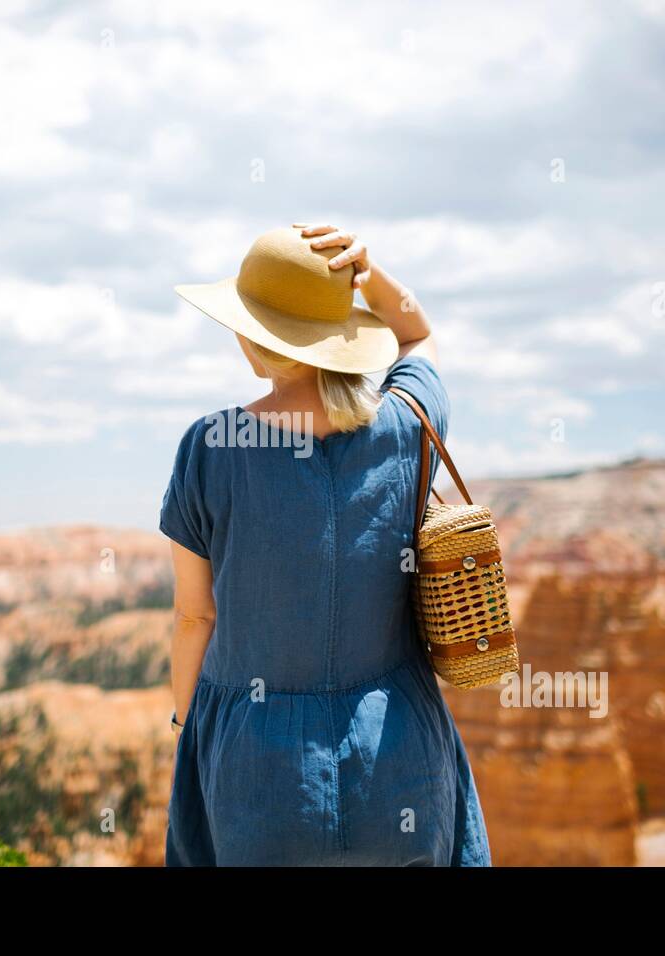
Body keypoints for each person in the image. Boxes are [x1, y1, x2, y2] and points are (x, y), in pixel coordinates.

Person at [158, 223, 491, 866]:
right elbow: (419, 333)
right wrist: (369, 273)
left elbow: (196, 616)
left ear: (254, 336)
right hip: (401, 763)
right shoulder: (406, 423)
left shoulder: (211, 447)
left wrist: (185, 723)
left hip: (259, 777)